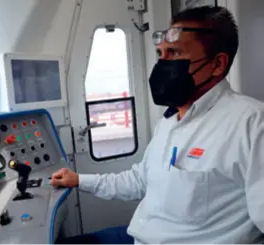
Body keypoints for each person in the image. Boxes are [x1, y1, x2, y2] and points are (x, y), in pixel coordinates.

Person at [51, 5, 264, 244]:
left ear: (218, 64)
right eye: (160, 54)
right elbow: (140, 180)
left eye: (174, 53)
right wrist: (79, 180)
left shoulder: (252, 125)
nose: (163, 64)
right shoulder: (171, 120)